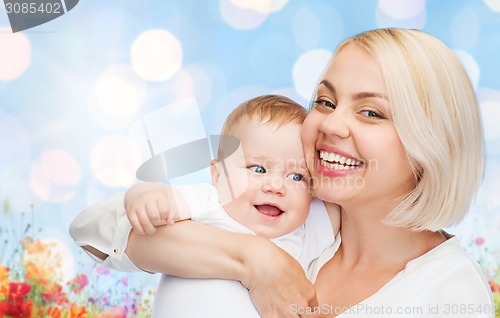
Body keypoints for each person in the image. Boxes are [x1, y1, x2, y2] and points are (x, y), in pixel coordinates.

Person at [72, 28, 495, 318]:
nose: (330, 124)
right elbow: (96, 232)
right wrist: (254, 258)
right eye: (325, 102)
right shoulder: (291, 212)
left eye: (371, 112)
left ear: (431, 143)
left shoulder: (450, 293)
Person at [70, 94, 340, 317]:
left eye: (297, 177)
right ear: (217, 174)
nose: (275, 186)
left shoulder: (303, 232)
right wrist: (143, 195)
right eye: (257, 168)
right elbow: (97, 223)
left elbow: (355, 205)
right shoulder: (207, 202)